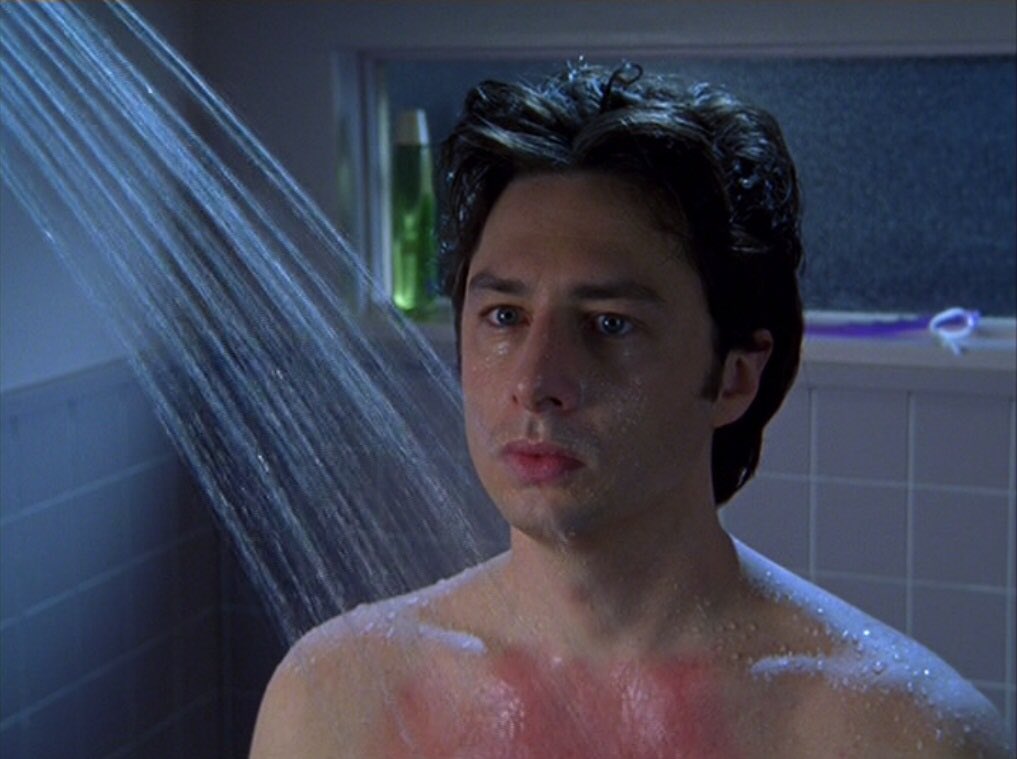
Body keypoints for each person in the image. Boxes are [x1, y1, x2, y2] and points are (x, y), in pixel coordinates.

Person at [250, 62, 1009, 758]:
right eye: (505, 317)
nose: (536, 382)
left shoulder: (895, 732)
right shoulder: (335, 699)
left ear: (735, 377)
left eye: (610, 324)